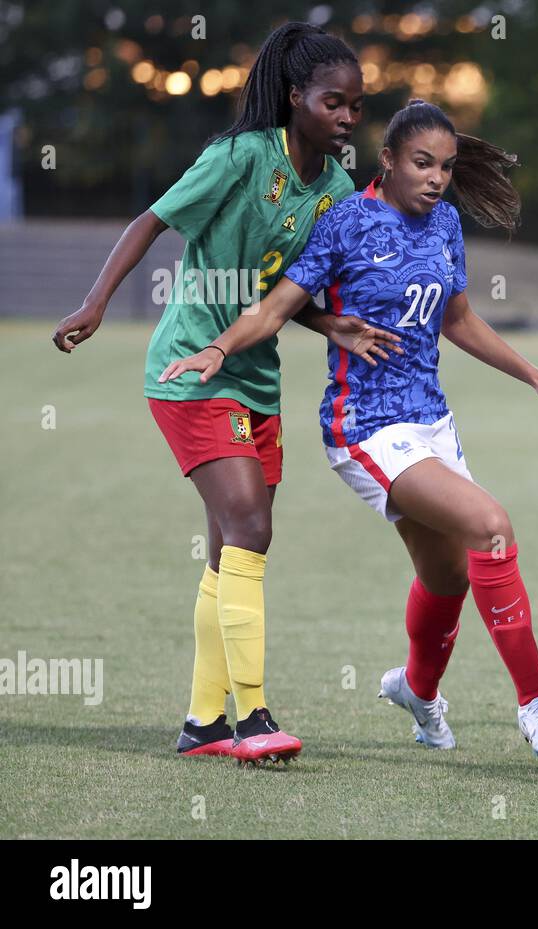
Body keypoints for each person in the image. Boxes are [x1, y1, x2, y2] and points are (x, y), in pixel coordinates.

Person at [160, 100, 538, 759]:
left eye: (447, 168)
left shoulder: (446, 222)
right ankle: (536, 703)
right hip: (365, 427)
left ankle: (417, 691)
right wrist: (221, 347)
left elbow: (458, 320)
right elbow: (279, 306)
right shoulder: (345, 222)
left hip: (433, 423)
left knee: (449, 573)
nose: (436, 179)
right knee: (491, 526)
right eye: (423, 164)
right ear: (389, 160)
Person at [51, 23, 388, 765]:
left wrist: (334, 324)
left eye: (357, 107)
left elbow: (282, 294)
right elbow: (152, 220)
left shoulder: (332, 189)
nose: (347, 117)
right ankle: (253, 714)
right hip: (190, 371)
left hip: (255, 380)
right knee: (251, 526)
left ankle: (202, 722)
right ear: (296, 96)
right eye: (335, 101)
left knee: (227, 548)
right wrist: (96, 302)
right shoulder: (241, 156)